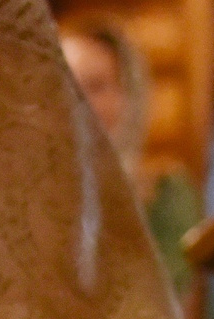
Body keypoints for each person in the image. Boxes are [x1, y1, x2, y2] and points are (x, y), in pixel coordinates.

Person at [61, 14, 203, 299]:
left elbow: (165, 297)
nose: (77, 99)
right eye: (64, 84)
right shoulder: (24, 189)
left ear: (129, 95)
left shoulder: (164, 193)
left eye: (96, 86)